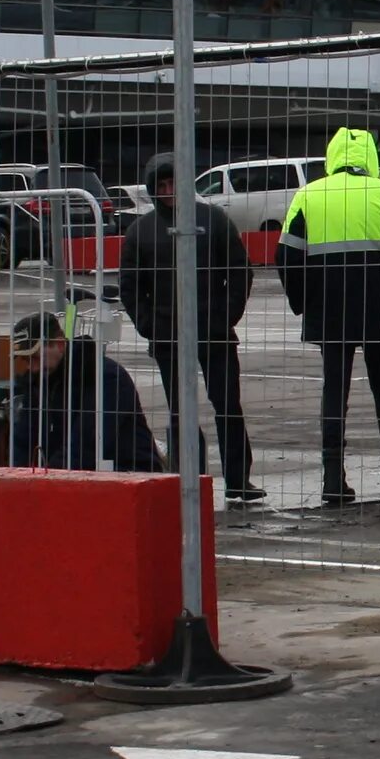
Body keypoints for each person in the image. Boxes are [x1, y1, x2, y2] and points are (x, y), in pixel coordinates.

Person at [276, 126, 380, 505]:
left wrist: (304, 302)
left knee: (334, 392)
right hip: (379, 310)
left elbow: (286, 256)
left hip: (330, 313)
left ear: (333, 156)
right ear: (369, 157)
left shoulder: (308, 195)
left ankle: (332, 478)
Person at [114, 153, 261, 505]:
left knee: (228, 405)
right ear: (152, 190)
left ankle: (239, 480)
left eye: (172, 184)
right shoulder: (141, 231)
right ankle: (187, 478)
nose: (168, 191)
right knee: (181, 410)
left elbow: (240, 271)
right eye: (161, 186)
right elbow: (131, 287)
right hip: (168, 338)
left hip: (215, 333)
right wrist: (150, 326)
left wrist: (226, 316)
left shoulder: (213, 221)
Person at [5, 306, 163, 472]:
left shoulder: (105, 377)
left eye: (35, 358)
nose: (32, 367)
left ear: (59, 345)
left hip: (127, 470)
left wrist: (48, 479)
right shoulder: (39, 381)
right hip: (70, 474)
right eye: (26, 360)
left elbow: (86, 444)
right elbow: (23, 439)